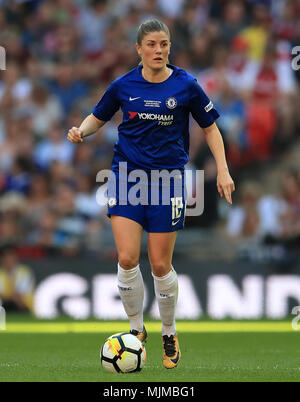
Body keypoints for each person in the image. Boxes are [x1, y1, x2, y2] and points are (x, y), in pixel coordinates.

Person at [67, 19, 235, 369]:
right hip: (126, 177)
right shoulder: (122, 85)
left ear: (169, 47)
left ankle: (169, 332)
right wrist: (81, 131)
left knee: (160, 264)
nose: (158, 51)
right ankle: (136, 330)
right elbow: (98, 117)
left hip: (169, 180)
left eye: (164, 44)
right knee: (127, 258)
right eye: (152, 45)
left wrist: (222, 169)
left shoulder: (186, 85)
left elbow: (211, 129)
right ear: (139, 49)